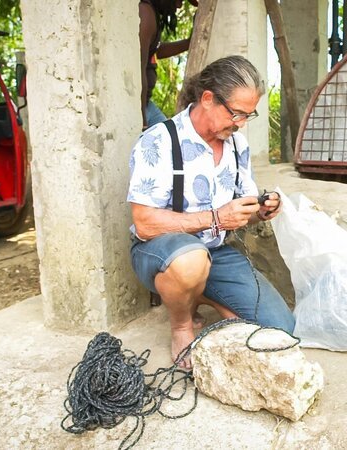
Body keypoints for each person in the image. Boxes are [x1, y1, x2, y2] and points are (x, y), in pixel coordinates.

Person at [127, 55, 295, 368]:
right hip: (163, 252)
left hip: (215, 252)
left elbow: (240, 209)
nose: (241, 123)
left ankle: (201, 292)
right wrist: (216, 218)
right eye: (236, 113)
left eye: (249, 115)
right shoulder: (160, 141)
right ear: (207, 99)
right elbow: (144, 223)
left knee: (280, 328)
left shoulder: (236, 145)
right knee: (190, 260)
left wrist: (261, 208)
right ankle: (181, 324)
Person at [139, 0, 194, 129]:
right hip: (140, 108)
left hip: (146, 105)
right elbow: (138, 71)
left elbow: (155, 50)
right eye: (178, 0)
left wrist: (188, 43)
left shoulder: (152, 14)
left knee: (171, 141)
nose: (179, 5)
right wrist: (142, 120)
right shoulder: (146, 15)